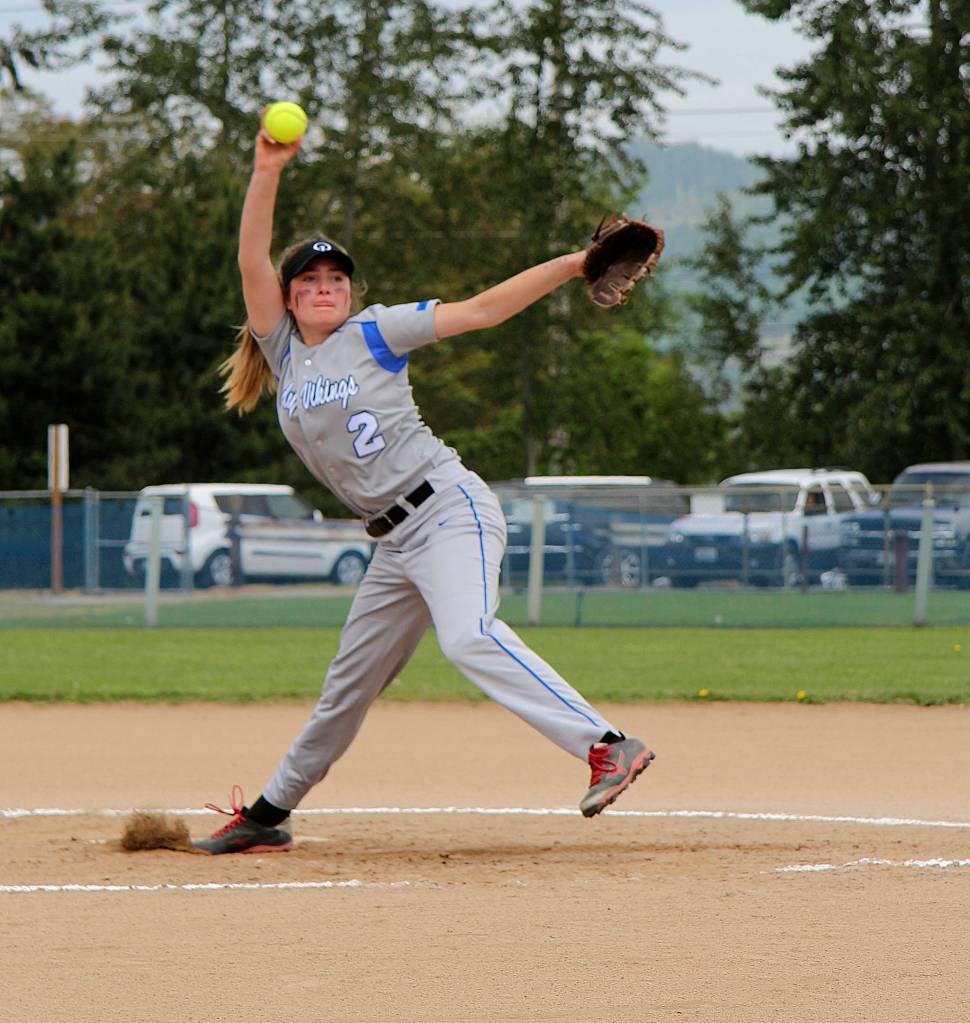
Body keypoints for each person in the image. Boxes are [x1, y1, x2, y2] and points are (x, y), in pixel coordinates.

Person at [195, 112, 655, 854]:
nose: (323, 286)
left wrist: (575, 263)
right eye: (308, 279)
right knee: (347, 687)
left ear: (351, 291)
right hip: (392, 543)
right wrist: (267, 171)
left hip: (448, 512)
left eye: (335, 277)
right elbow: (251, 256)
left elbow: (480, 310)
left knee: (469, 636)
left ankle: (608, 743)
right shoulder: (283, 353)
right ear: (285, 298)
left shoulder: (375, 331)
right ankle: (270, 812)